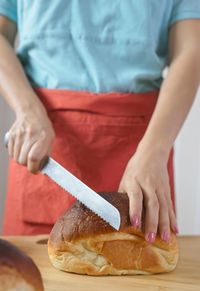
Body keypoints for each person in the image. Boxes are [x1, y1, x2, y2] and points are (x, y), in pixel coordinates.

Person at [0, 1, 200, 242]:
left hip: (145, 143)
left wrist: (154, 151)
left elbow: (191, 48)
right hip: (45, 141)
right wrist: (27, 109)